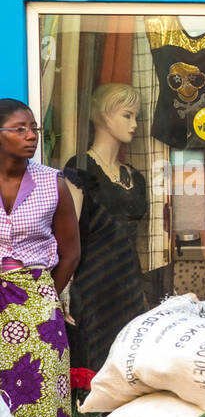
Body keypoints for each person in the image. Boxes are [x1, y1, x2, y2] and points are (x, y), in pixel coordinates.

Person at [0, 99, 80, 417]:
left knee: (44, 399)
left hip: (36, 304)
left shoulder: (53, 181)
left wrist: (46, 292)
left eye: (34, 129)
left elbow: (71, 251)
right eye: (20, 129)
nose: (31, 136)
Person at [62, 83, 150, 377]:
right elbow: (68, 233)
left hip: (130, 284)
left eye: (136, 116)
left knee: (132, 364)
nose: (135, 124)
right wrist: (64, 289)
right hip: (94, 284)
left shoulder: (133, 176)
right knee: (97, 367)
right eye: (127, 115)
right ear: (103, 116)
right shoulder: (81, 167)